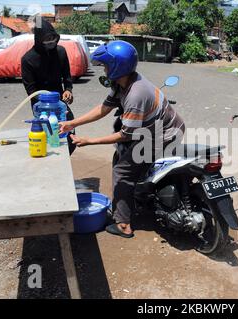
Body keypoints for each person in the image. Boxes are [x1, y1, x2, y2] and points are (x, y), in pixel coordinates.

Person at [59, 41, 185, 238]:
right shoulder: (124, 82)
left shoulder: (135, 94)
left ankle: (123, 224)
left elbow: (125, 135)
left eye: (106, 65)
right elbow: (104, 108)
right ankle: (139, 193)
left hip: (163, 135)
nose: (105, 68)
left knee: (122, 170)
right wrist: (72, 123)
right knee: (128, 158)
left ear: (118, 66)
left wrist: (89, 141)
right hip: (160, 128)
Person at [21, 17, 76, 154]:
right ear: (38, 39)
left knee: (69, 135)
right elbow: (31, 90)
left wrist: (68, 90)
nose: (51, 42)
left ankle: (64, 161)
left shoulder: (61, 52)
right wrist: (44, 109)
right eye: (46, 39)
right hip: (41, 105)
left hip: (60, 103)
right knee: (49, 138)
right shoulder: (28, 59)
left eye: (53, 38)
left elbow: (67, 76)